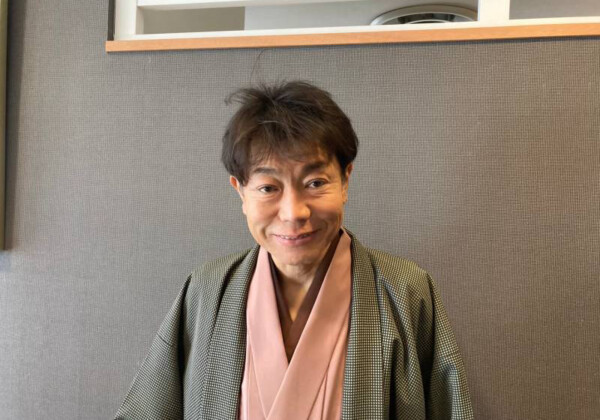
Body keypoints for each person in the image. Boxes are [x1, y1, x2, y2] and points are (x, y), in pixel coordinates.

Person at [114, 80, 474, 420]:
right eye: (268, 188)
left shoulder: (405, 291)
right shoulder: (206, 292)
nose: (293, 213)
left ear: (346, 180)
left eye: (315, 183)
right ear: (240, 191)